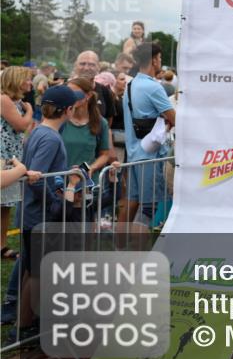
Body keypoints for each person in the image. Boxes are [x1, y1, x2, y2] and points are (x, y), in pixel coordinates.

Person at [10, 84, 81, 341]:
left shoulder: (39, 130)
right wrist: (55, 202)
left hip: (33, 214)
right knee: (38, 274)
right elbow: (36, 177)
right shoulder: (50, 137)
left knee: (32, 270)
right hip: (39, 215)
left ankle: (23, 325)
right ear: (69, 110)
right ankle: (28, 327)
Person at [121, 43, 175, 225]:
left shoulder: (131, 85)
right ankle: (140, 252)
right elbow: (174, 119)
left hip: (134, 153)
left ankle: (117, 248)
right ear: (153, 60)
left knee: (131, 203)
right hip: (150, 155)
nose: (160, 62)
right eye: (159, 58)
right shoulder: (153, 87)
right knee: (148, 210)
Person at [62, 77, 117, 221]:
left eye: (75, 93)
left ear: (88, 95)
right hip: (61, 183)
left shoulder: (100, 123)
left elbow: (105, 154)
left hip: (88, 184)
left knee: (86, 224)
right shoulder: (61, 120)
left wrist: (91, 168)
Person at [1, 66, 34, 260]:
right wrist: (30, 111)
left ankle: (2, 245)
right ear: (16, 80)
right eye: (27, 79)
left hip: (11, 157)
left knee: (5, 205)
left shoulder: (16, 101)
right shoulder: (4, 99)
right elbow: (21, 125)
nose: (30, 82)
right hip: (2, 156)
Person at [73, 50, 117, 123]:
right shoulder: (65, 89)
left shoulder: (105, 91)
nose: (86, 68)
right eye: (82, 64)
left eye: (91, 64)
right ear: (75, 66)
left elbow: (108, 120)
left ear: (98, 67)